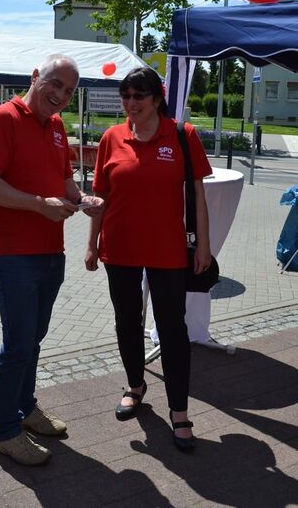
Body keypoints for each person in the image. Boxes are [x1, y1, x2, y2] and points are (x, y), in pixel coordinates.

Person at [0, 55, 103, 466]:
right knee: (17, 344)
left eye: (68, 91)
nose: (61, 96)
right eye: (55, 84)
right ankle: (5, 432)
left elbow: (64, 180)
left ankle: (25, 409)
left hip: (51, 249)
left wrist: (82, 199)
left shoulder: (57, 127)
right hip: (12, 253)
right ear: (35, 77)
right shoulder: (0, 119)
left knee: (33, 338)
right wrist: (38, 205)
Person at [85, 66, 212, 453]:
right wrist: (92, 244)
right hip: (119, 248)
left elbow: (197, 197)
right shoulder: (111, 137)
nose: (131, 103)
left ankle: (179, 411)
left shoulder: (181, 134)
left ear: (157, 98)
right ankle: (135, 385)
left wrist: (203, 245)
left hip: (167, 250)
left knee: (173, 329)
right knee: (127, 321)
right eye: (126, 96)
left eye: (138, 96)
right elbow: (100, 198)